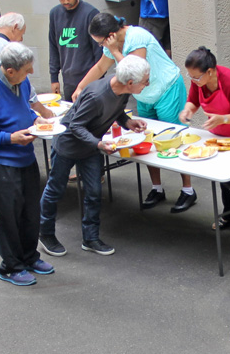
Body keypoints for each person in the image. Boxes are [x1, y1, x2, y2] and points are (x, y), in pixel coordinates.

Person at [74, 13, 194, 213]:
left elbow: (134, 70)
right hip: (144, 95)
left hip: (166, 88)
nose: (101, 46)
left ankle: (188, 190)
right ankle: (157, 188)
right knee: (146, 139)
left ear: (111, 35)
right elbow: (100, 67)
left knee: (175, 139)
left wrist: (113, 50)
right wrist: (80, 88)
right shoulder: (111, 45)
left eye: (100, 42)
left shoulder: (136, 37)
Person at [38, 55, 150, 258]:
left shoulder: (122, 90)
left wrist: (128, 122)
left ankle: (90, 238)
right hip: (68, 145)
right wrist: (98, 143)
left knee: (94, 193)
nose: (147, 84)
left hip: (89, 147)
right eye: (145, 80)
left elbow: (116, 112)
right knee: (55, 189)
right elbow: (76, 126)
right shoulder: (97, 95)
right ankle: (45, 234)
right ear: (131, 83)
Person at [0, 42, 55, 286]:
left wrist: (36, 119)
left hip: (25, 156)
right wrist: (9, 138)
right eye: (26, 70)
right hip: (2, 161)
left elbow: (24, 108)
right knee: (9, 215)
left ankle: (29, 257)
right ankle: (10, 266)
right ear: (10, 71)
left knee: (30, 211)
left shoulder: (21, 82)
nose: (30, 74)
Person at [179, 46, 230, 237]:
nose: (193, 80)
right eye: (190, 76)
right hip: (221, 135)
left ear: (210, 71)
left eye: (196, 77)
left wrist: (223, 118)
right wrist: (188, 110)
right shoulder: (199, 81)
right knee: (225, 174)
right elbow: (193, 101)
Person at [0, 12, 54, 119]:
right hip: (4, 108)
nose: (21, 39)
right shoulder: (8, 49)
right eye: (22, 34)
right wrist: (43, 111)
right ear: (15, 27)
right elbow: (25, 86)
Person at [48, 0, 102, 102]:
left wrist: (96, 82)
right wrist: (54, 78)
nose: (66, 1)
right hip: (68, 81)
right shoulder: (55, 14)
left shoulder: (90, 13)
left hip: (89, 80)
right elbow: (53, 46)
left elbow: (99, 52)